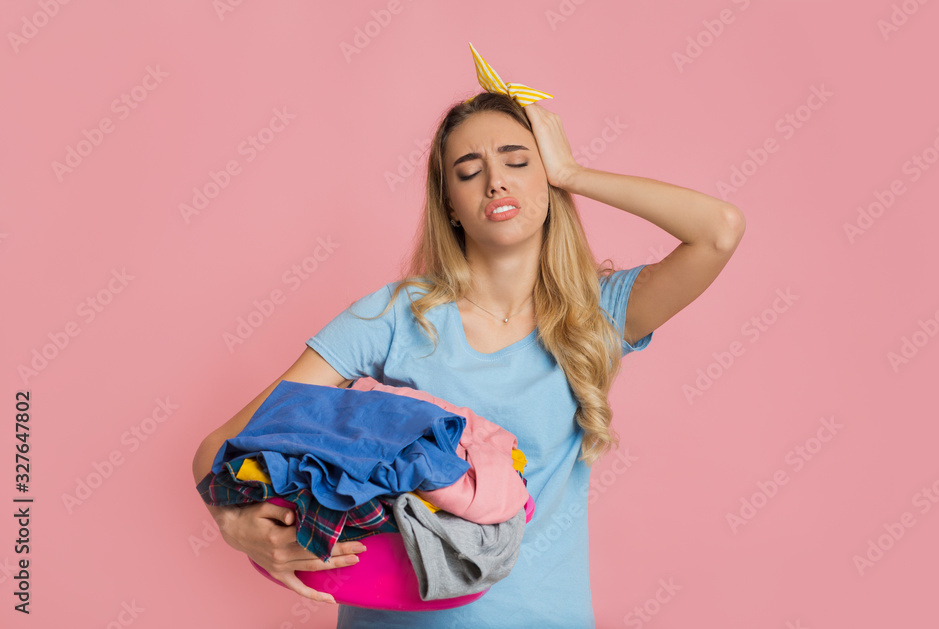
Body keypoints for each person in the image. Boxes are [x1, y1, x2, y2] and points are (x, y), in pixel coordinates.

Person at [191, 89, 745, 627]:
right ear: (451, 206)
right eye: (469, 171)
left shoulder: (597, 312)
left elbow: (719, 231)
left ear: (547, 181)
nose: (495, 180)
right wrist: (233, 523)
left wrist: (574, 173)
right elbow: (221, 444)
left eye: (518, 161)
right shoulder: (394, 315)